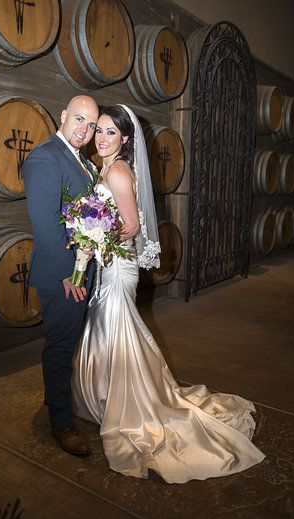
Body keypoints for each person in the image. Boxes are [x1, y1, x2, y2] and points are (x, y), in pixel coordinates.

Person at [72, 104, 266, 483]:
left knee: (115, 330)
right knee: (105, 330)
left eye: (112, 132)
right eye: (101, 130)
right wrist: (91, 237)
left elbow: (130, 225)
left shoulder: (118, 172)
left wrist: (94, 237)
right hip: (109, 263)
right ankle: (104, 396)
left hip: (118, 266)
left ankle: (130, 406)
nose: (102, 137)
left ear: (125, 139)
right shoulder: (105, 168)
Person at [22, 95, 99, 456]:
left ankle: (60, 403)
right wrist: (70, 275)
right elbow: (46, 223)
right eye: (79, 120)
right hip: (63, 275)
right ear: (64, 115)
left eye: (92, 125)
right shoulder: (44, 156)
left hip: (81, 269)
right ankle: (61, 424)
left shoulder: (82, 161)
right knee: (59, 347)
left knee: (68, 345)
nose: (84, 130)